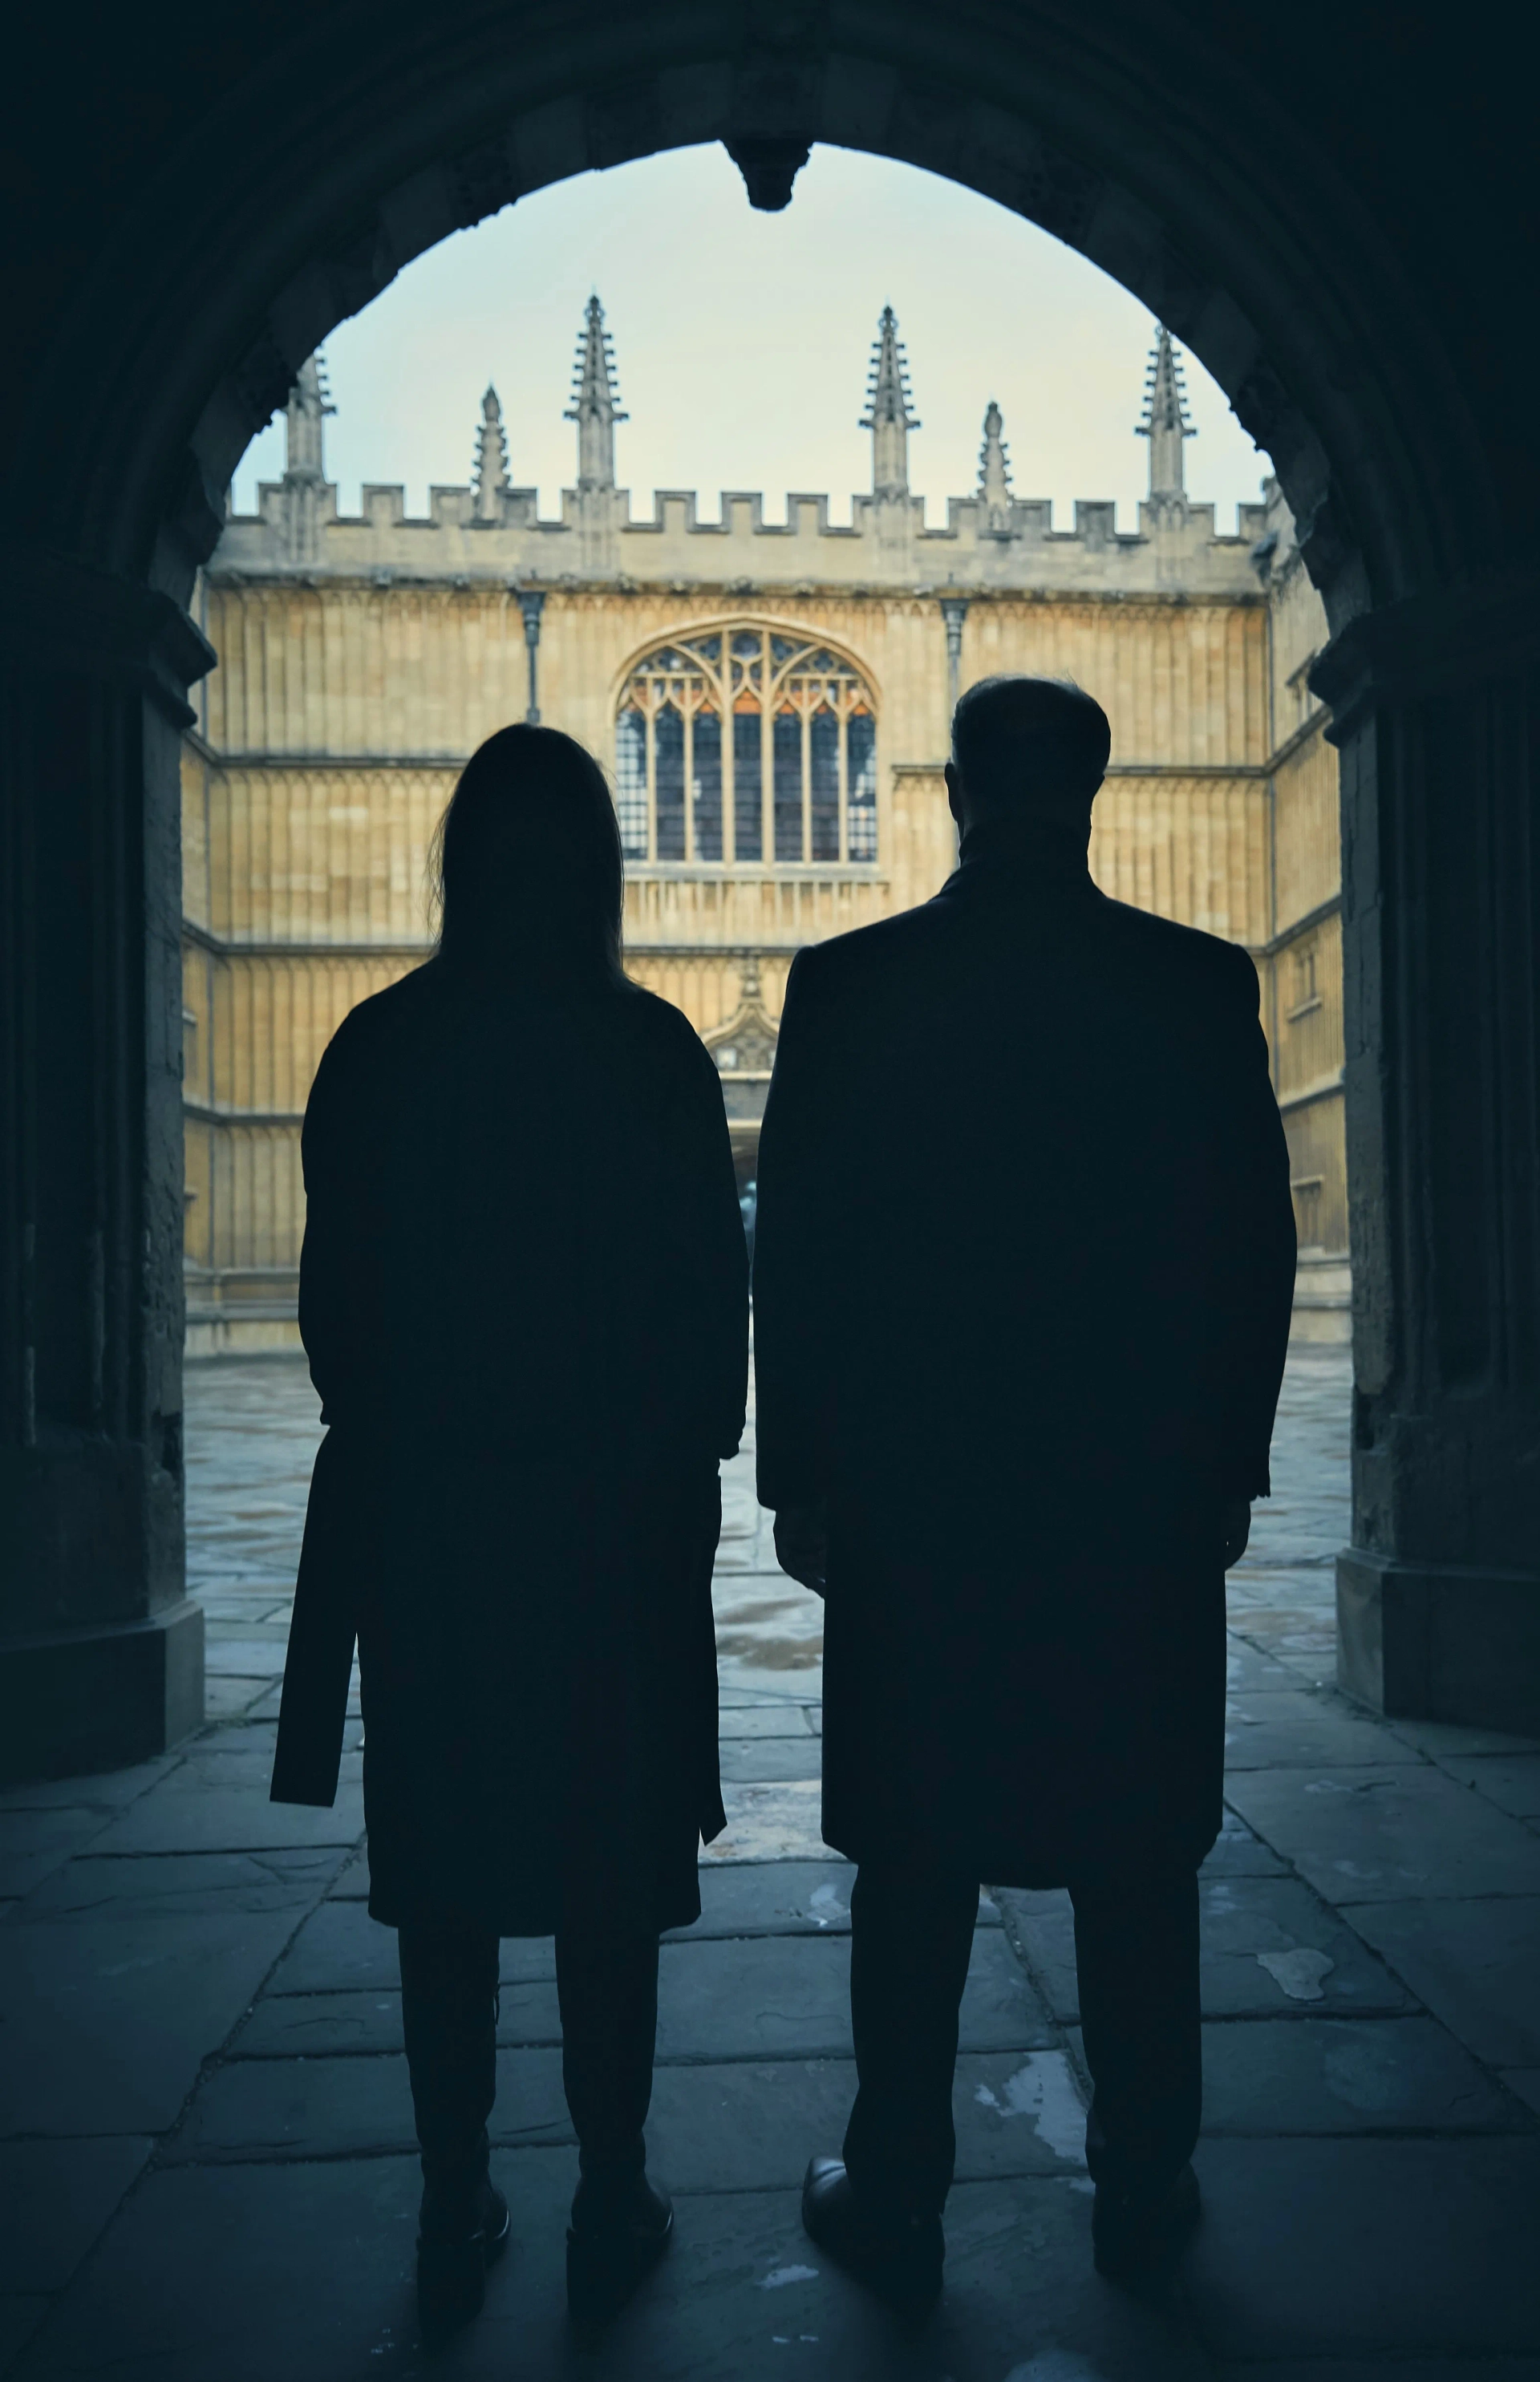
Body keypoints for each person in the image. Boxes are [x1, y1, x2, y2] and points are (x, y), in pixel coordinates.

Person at [753, 674, 1295, 2309]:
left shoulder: (854, 985)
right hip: (1128, 1495)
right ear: (1095, 792)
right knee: (1135, 1853)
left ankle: (901, 2191)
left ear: (956, 794)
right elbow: (1250, 1249)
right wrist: (1231, 1464)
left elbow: (804, 1255)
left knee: (916, 1855)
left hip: (922, 1496)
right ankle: (1145, 2182)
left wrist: (803, 1475)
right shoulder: (1192, 987)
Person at [270, 724, 748, 2333]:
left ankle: (451, 2189)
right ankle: (612, 2189)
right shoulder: (655, 1053)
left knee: (449, 1877)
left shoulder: (380, 1049)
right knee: (609, 1869)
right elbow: (708, 1328)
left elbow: (333, 1313)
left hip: (436, 1531)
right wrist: (675, 1473)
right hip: (611, 1537)